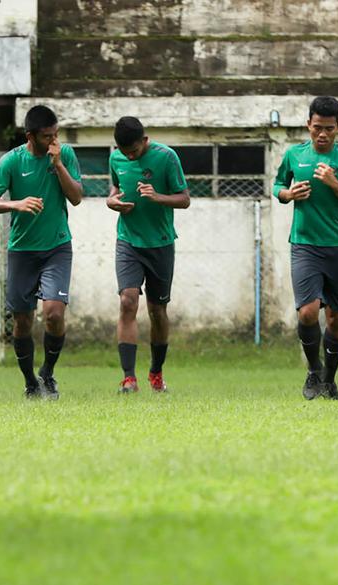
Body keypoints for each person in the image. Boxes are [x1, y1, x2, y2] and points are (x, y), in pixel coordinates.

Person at [0, 105, 83, 400]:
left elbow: (76, 198)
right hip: (22, 250)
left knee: (53, 313)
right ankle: (30, 382)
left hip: (57, 246)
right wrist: (16, 204)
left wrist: (59, 164)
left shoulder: (64, 155)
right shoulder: (11, 162)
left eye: (56, 135)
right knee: (23, 320)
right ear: (30, 136)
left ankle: (48, 374)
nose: (53, 141)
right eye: (47, 136)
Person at [273, 96, 338, 400]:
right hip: (303, 245)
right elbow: (276, 187)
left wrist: (334, 183)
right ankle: (313, 371)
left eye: (328, 128)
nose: (322, 134)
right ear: (307, 125)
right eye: (316, 128)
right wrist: (288, 193)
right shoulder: (294, 155)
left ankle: (329, 378)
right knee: (308, 312)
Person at [106, 116, 190, 394]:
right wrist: (112, 201)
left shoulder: (167, 157)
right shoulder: (116, 158)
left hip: (160, 244)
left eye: (134, 151)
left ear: (145, 140)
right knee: (128, 301)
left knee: (157, 310)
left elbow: (184, 198)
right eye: (124, 151)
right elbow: (115, 189)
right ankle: (129, 378)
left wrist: (158, 198)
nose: (129, 156)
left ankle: (156, 371)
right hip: (128, 241)